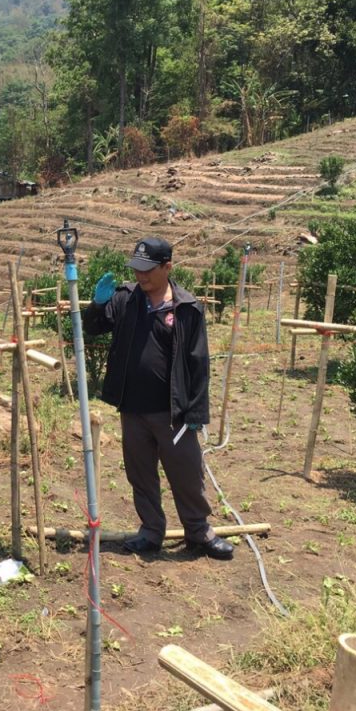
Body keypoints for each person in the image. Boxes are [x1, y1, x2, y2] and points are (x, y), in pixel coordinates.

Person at [83, 236, 233, 561]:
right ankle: (151, 532)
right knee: (141, 475)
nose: (140, 276)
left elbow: (198, 363)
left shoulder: (186, 308)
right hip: (133, 408)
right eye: (136, 269)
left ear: (168, 267)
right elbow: (91, 328)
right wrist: (96, 304)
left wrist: (196, 411)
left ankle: (199, 533)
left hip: (172, 412)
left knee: (187, 473)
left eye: (148, 270)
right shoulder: (125, 300)